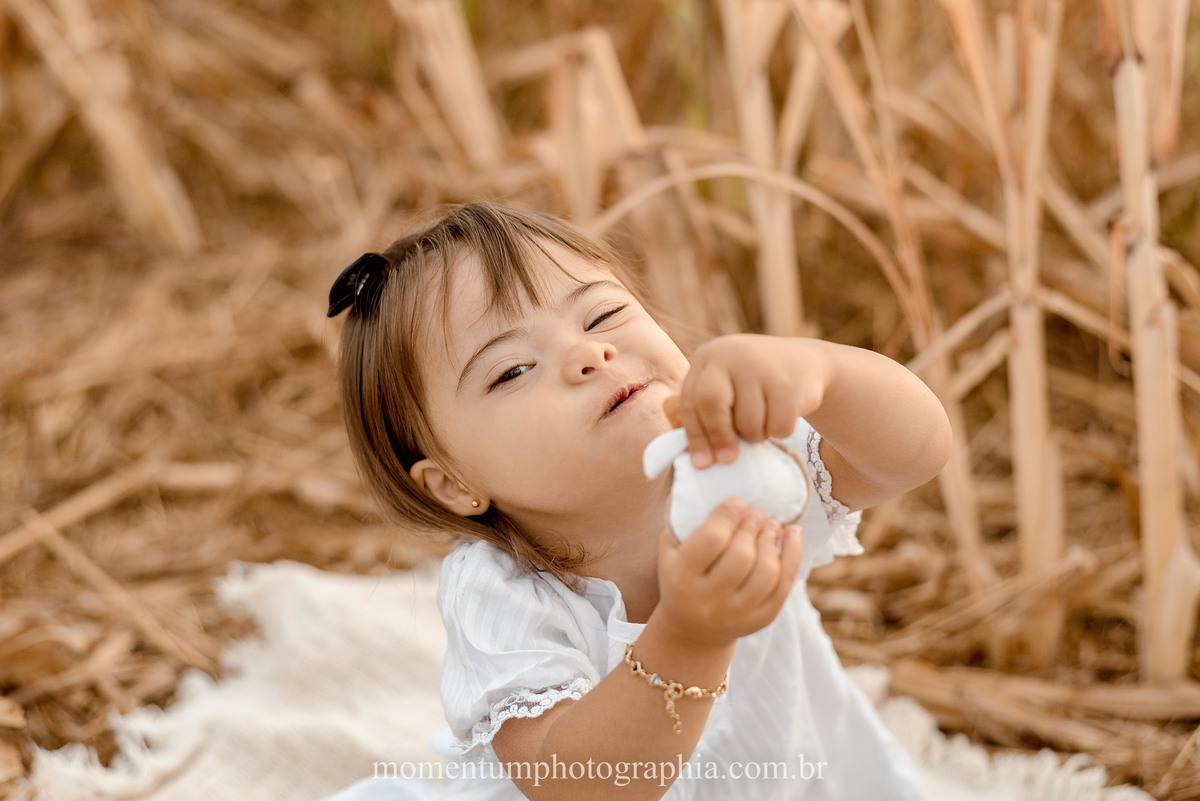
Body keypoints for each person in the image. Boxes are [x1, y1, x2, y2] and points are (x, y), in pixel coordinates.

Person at [320, 202, 951, 801]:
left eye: (599, 317)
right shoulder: (504, 592)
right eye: (512, 370)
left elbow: (913, 456)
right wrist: (690, 636)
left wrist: (821, 373)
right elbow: (580, 786)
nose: (589, 355)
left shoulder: (741, 464)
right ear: (455, 484)